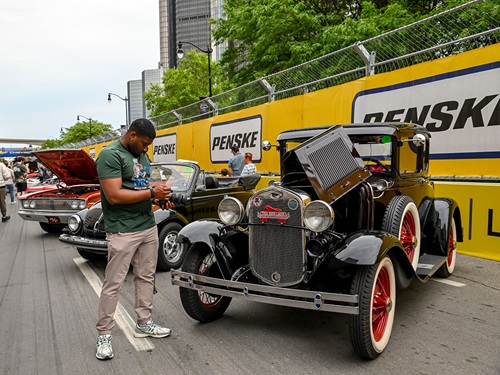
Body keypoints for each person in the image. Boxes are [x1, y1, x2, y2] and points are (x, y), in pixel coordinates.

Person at [94, 118, 174, 361]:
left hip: (147, 226)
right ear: (132, 135)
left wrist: (158, 197)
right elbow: (115, 195)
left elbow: (139, 184)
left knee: (146, 276)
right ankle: (104, 334)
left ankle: (144, 322)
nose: (146, 148)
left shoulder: (141, 155)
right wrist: (152, 192)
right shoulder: (110, 155)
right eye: (144, 143)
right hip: (122, 229)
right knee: (114, 283)